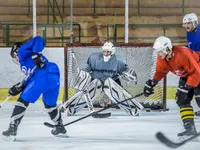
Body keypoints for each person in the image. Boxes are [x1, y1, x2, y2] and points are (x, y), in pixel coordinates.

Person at [2, 36, 67, 141]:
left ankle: (12, 128)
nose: (16, 59)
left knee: (22, 101)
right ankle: (60, 127)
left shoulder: (22, 52)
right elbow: (32, 76)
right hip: (53, 76)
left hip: (42, 77)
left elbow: (38, 39)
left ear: (15, 53)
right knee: (50, 104)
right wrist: (20, 86)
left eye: (14, 57)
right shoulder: (30, 62)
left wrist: (36, 54)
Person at [62, 42, 143, 116]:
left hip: (112, 82)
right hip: (96, 80)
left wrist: (129, 74)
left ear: (112, 52)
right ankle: (71, 109)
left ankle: (133, 108)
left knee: (112, 85)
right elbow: (88, 68)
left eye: (108, 52)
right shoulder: (94, 57)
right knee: (92, 87)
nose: (106, 54)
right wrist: (83, 73)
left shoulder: (118, 61)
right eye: (104, 51)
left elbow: (124, 71)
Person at [144, 36, 200, 138]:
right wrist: (152, 84)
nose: (158, 53)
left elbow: (196, 73)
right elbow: (160, 72)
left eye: (159, 51)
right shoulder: (162, 58)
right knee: (181, 100)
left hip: (198, 72)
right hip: (187, 76)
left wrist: (186, 88)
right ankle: (190, 129)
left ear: (167, 49)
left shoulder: (183, 54)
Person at [182, 13, 200, 116]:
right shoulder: (189, 33)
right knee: (197, 88)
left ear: (194, 23)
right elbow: (191, 46)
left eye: (188, 23)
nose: (186, 26)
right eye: (185, 23)